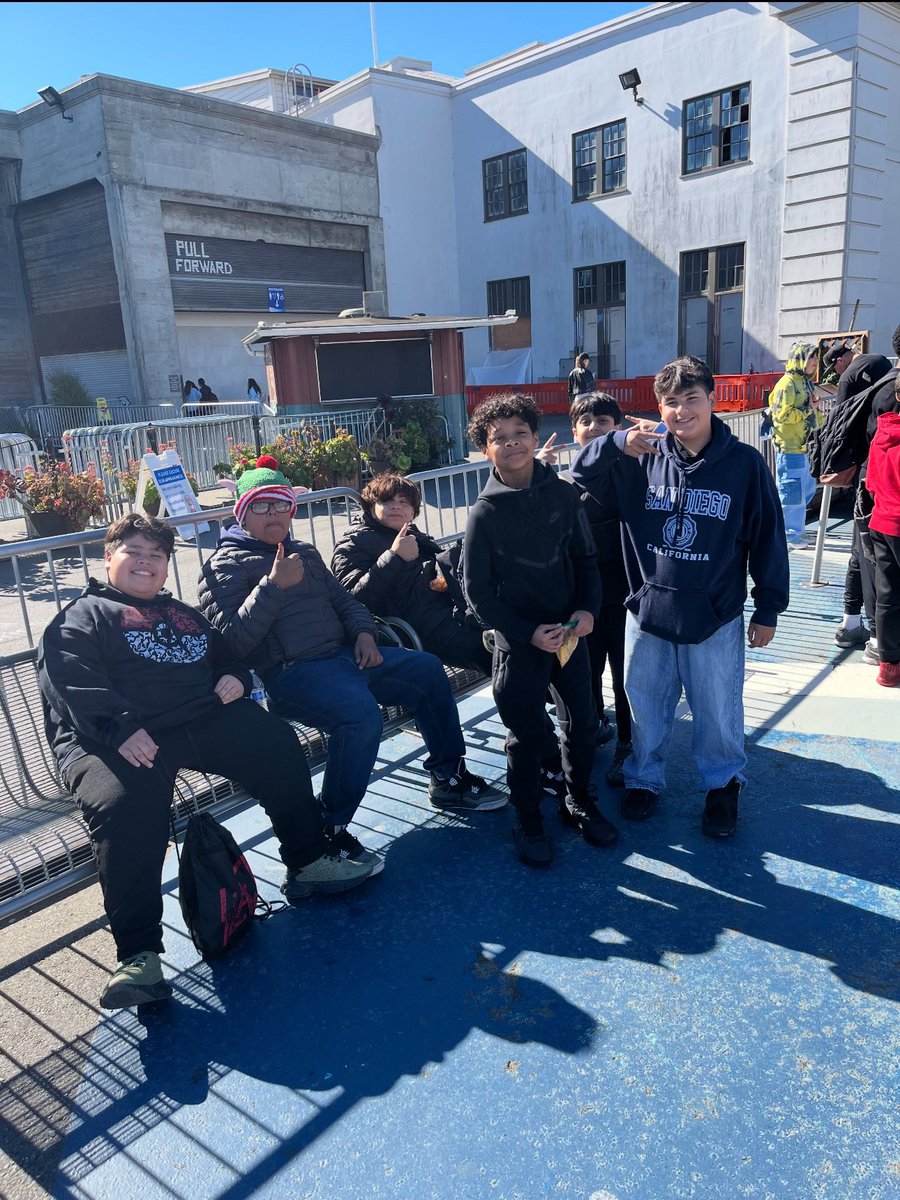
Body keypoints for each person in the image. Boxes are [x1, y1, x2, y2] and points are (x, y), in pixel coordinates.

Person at [38, 514, 372, 1011]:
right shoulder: (82, 616)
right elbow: (68, 680)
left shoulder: (182, 614)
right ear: (108, 558)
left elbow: (226, 655)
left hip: (196, 717)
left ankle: (307, 861)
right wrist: (119, 728)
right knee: (125, 806)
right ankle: (139, 956)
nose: (145, 563)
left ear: (166, 566)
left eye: (156, 555)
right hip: (111, 737)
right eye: (133, 552)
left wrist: (236, 675)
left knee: (275, 743)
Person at [198, 457, 506, 873]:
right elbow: (234, 642)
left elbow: (346, 601)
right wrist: (272, 586)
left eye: (281, 504)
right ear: (242, 513)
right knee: (360, 717)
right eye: (261, 506)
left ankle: (448, 778)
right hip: (291, 673)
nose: (274, 514)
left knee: (427, 670)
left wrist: (363, 633)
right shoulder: (223, 566)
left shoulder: (304, 552)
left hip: (345, 657)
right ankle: (329, 824)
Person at [571, 355, 790, 838]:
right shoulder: (639, 457)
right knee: (645, 703)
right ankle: (644, 778)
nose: (681, 410)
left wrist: (769, 606)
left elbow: (767, 537)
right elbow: (581, 470)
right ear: (659, 408)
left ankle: (722, 786)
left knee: (717, 708)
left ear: (712, 400)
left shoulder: (745, 465)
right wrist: (615, 441)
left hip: (714, 614)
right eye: (671, 402)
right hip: (647, 610)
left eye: (692, 398)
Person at [463, 393, 617, 868]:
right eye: (499, 438)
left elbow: (586, 561)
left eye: (520, 433)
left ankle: (579, 800)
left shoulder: (564, 495)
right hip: (520, 644)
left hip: (569, 637)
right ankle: (527, 817)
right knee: (527, 736)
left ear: (535, 436)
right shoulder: (484, 513)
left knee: (582, 726)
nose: (512, 443)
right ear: (485, 450)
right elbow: (477, 591)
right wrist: (526, 632)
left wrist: (587, 611)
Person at [330, 473, 492, 674]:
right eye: (387, 501)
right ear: (371, 508)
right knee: (501, 651)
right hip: (417, 625)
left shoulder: (411, 533)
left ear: (413, 512)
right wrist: (394, 557)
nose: (396, 507)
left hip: (453, 607)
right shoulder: (352, 544)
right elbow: (353, 600)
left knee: (518, 630)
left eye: (403, 502)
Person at [564, 393, 633, 784]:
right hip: (582, 601)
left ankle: (627, 743)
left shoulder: (631, 475)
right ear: (574, 431)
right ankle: (592, 728)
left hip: (626, 597)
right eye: (586, 421)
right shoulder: (561, 486)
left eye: (603, 421)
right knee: (585, 673)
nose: (594, 427)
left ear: (617, 429)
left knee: (625, 678)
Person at [769, 340, 822, 548]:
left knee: (805, 491)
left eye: (815, 357)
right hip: (789, 448)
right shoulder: (787, 384)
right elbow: (781, 415)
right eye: (810, 357)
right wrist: (809, 410)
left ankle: (796, 530)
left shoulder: (804, 382)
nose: (814, 361)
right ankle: (788, 534)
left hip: (804, 447)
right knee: (791, 493)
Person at [865, 388, 900, 688]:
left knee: (887, 594)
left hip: (882, 519)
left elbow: (872, 483)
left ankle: (888, 664)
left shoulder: (883, 431)